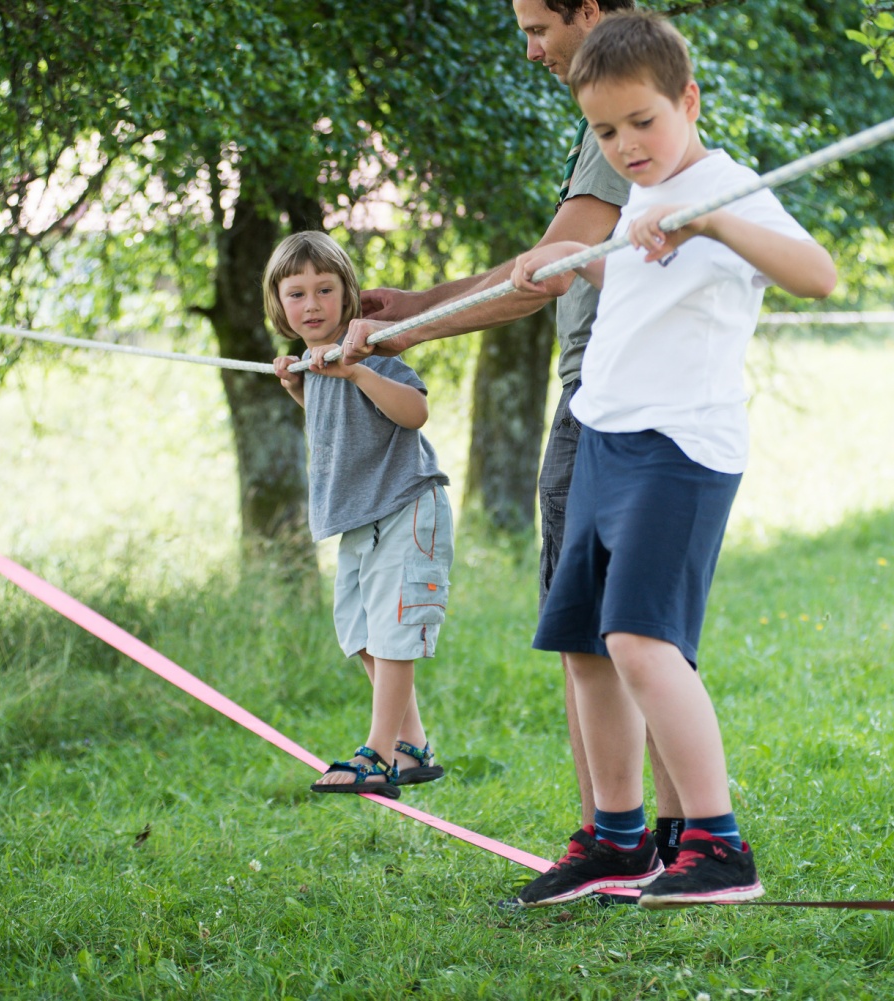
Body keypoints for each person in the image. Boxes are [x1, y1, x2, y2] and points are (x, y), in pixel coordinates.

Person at [343, 0, 689, 864]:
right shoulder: (626, 114)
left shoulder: (625, 112)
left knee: (596, 633)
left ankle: (621, 843)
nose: (531, 49)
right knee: (628, 631)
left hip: (604, 399)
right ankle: (670, 840)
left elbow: (543, 272)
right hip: (616, 395)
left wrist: (400, 335)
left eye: (539, 26)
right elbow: (547, 259)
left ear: (593, 11)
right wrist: (421, 303)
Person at [506, 12, 837, 907]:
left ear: (687, 100)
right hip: (608, 437)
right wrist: (583, 263)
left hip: (679, 449)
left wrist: (718, 224)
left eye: (643, 123)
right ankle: (618, 839)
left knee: (642, 642)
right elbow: (653, 287)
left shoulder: (726, 185)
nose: (627, 145)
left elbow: (818, 274)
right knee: (585, 645)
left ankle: (718, 842)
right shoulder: (642, 193)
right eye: (607, 132)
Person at [266, 231, 455, 800]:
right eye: (296, 294)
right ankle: (412, 744)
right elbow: (341, 423)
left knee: (393, 633)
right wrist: (298, 387)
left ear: (348, 296)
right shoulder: (313, 364)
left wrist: (355, 371)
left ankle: (377, 753)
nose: (313, 305)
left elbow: (413, 412)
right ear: (279, 305)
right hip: (356, 519)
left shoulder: (376, 351)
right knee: (361, 633)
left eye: (325, 290)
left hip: (404, 506)